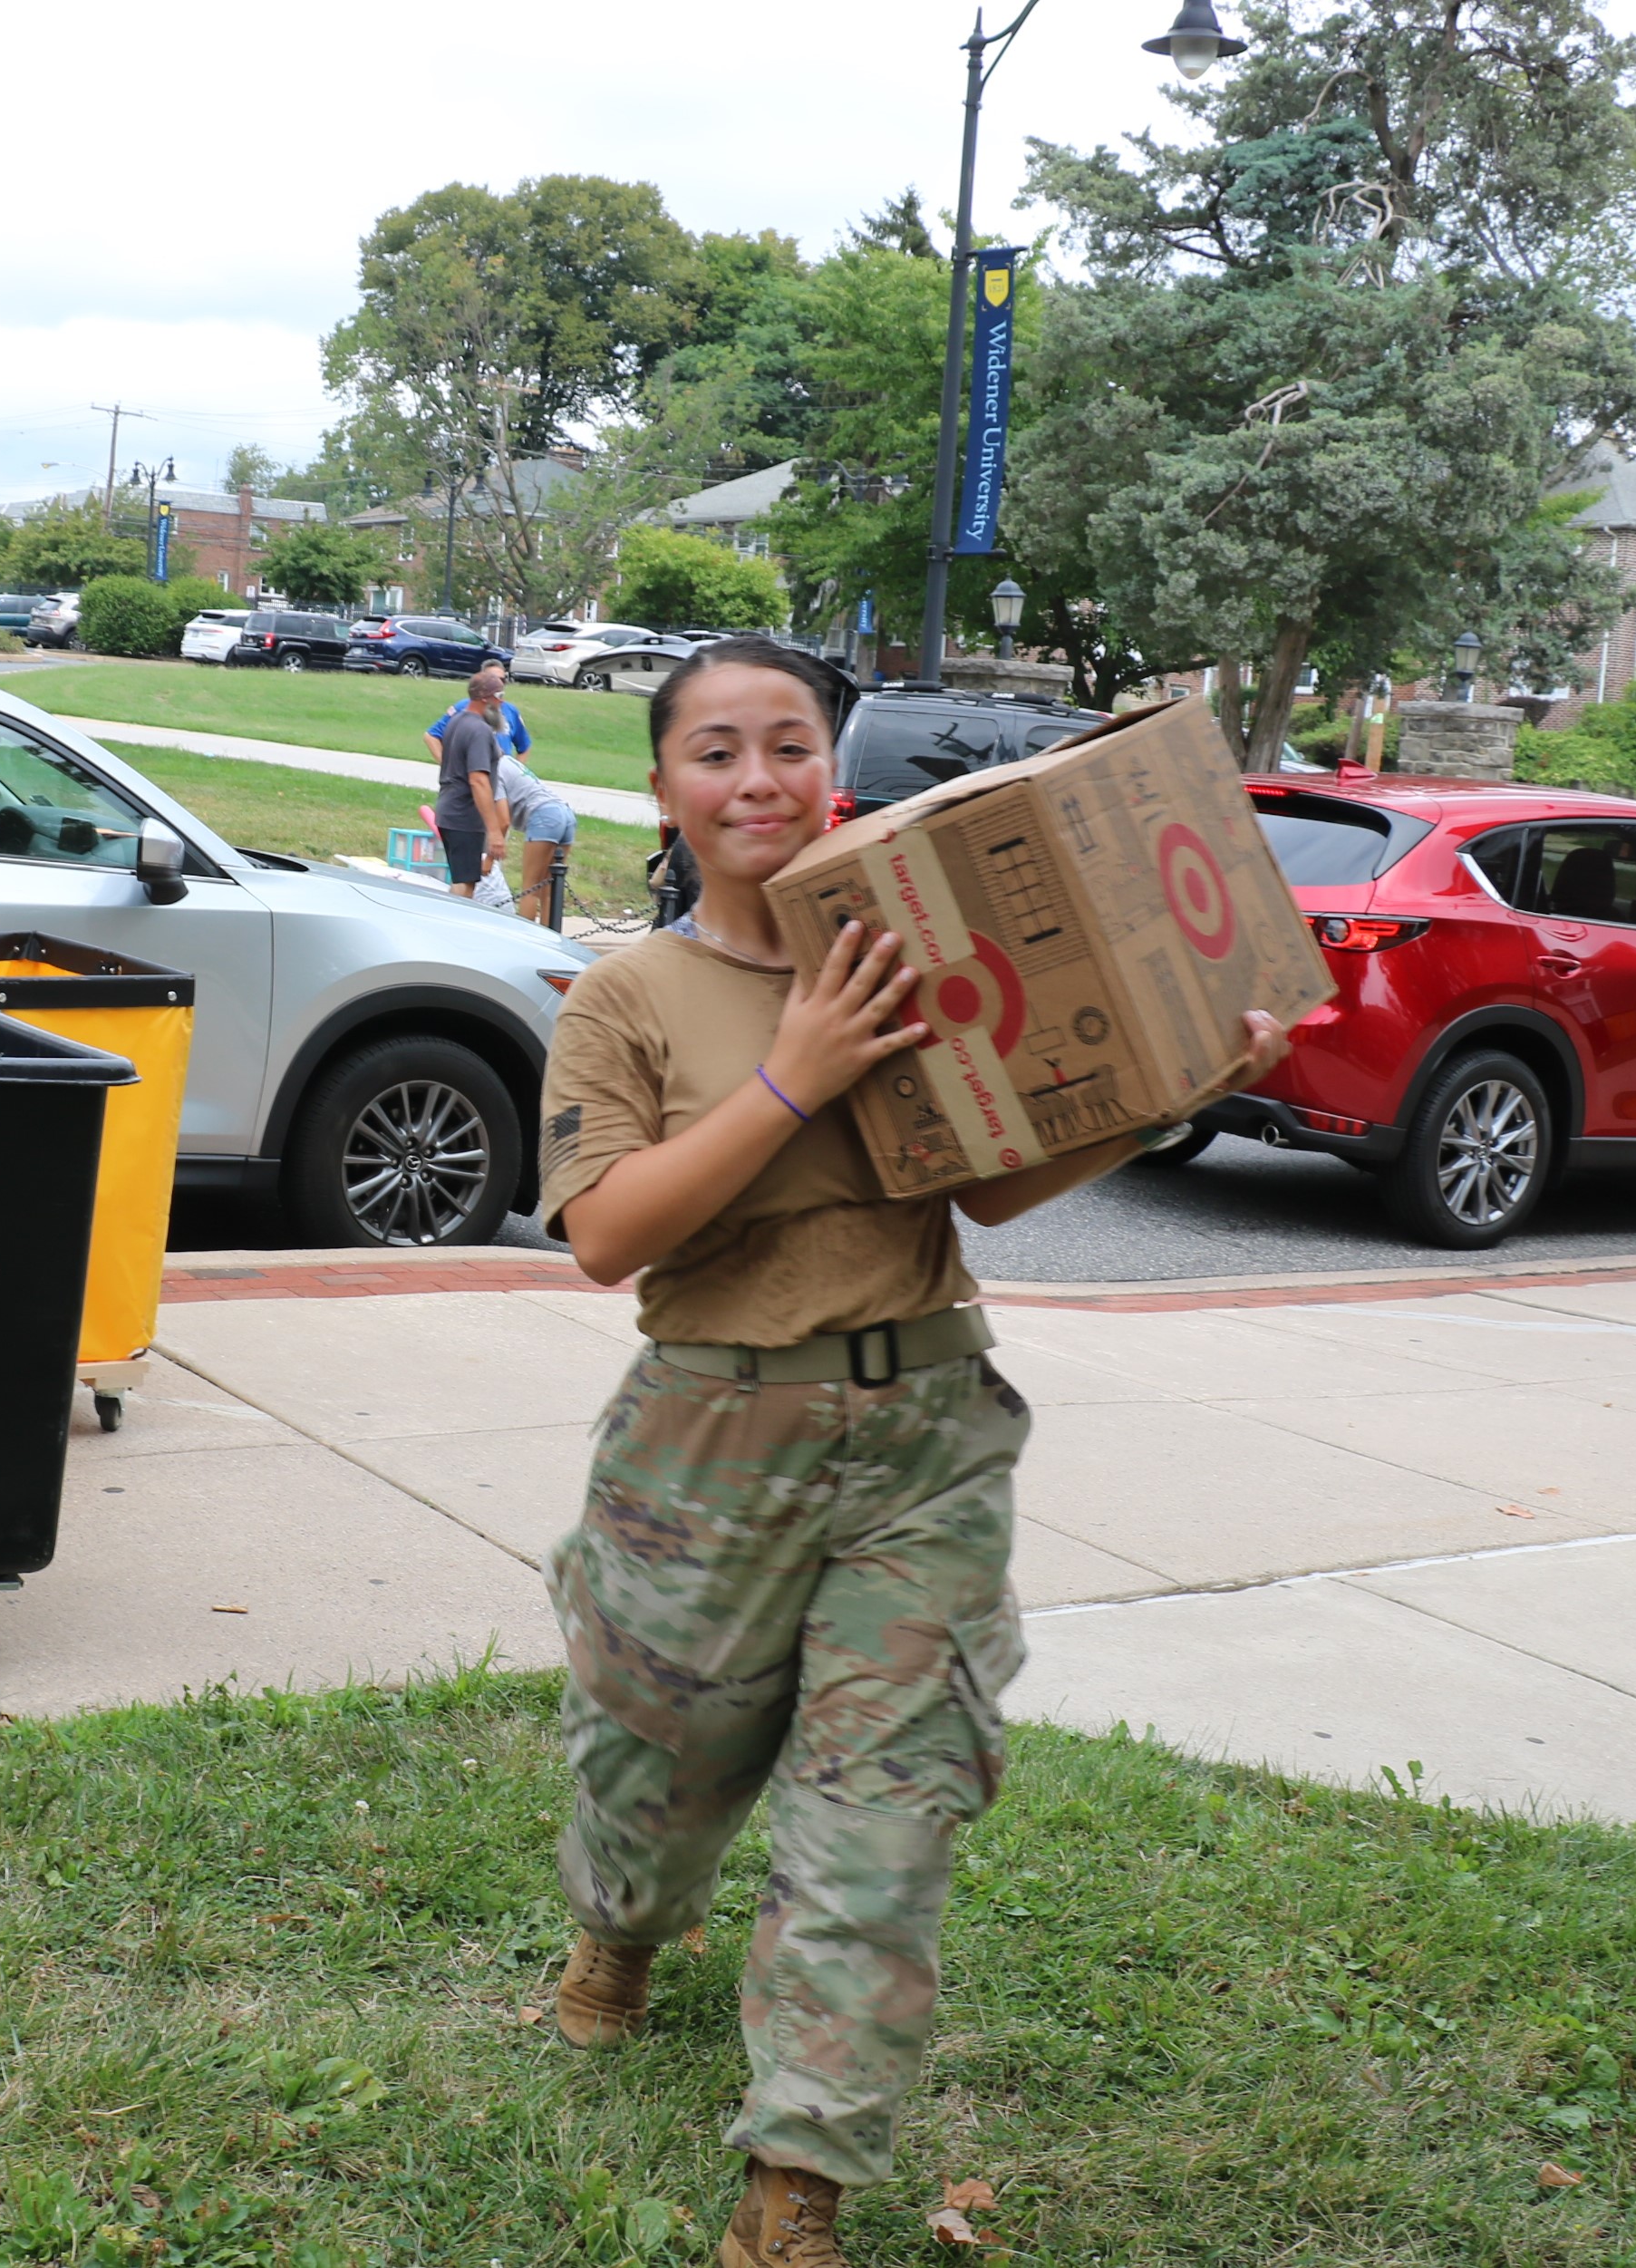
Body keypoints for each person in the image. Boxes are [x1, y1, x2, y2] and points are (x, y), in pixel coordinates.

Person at [531, 637, 1288, 2268]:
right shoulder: (629, 996)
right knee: (658, 1769)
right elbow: (606, 1234)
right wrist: (792, 1080)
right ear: (663, 786)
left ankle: (794, 2185)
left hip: (924, 1433)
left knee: (882, 1807)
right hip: (704, 1434)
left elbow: (989, 1183)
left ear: (832, 770)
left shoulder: (893, 956)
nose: (755, 780)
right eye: (715, 751)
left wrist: (1182, 1085)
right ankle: (618, 1930)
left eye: (787, 745)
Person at [431, 672, 511, 900]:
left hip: (449, 812)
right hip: (464, 817)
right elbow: (478, 781)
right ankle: (454, 930)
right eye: (499, 695)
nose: (501, 701)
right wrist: (495, 832)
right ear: (485, 698)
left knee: (462, 878)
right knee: (465, 884)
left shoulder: (457, 720)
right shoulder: (479, 730)